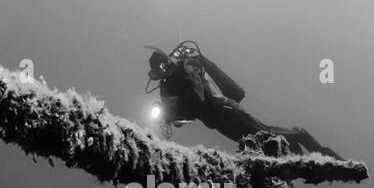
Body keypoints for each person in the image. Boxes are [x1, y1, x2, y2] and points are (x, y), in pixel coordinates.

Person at [145, 41, 342, 159]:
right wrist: (166, 116)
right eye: (156, 72)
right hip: (218, 123)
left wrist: (178, 107)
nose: (162, 72)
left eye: (162, 67)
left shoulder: (188, 67)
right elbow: (182, 117)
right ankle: (296, 149)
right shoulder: (168, 85)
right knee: (261, 142)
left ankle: (303, 138)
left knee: (265, 135)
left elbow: (198, 97)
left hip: (227, 111)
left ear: (167, 61)